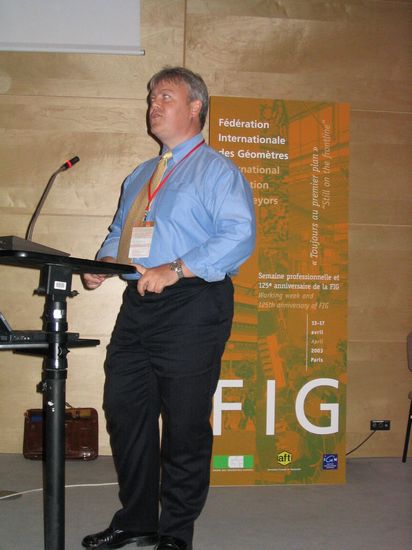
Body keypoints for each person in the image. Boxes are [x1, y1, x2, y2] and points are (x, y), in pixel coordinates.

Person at [81, 66, 255, 550]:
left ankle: (176, 533)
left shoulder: (217, 171)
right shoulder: (141, 175)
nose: (153, 106)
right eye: (151, 98)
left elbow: (239, 236)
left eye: (165, 97)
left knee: (183, 424)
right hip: (138, 305)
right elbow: (120, 233)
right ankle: (138, 520)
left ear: (196, 107)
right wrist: (104, 263)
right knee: (125, 412)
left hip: (192, 304)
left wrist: (177, 268)